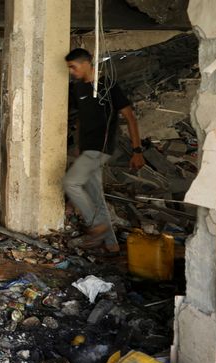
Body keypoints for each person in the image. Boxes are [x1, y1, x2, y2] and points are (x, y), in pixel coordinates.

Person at [64, 48, 144, 252]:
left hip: (101, 148)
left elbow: (130, 117)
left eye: (73, 67)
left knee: (71, 182)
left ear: (86, 64)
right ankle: (112, 245)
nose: (72, 71)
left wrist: (137, 150)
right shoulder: (78, 89)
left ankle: (96, 225)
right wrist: (78, 147)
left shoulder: (108, 86)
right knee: (95, 195)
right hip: (87, 149)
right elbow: (82, 119)